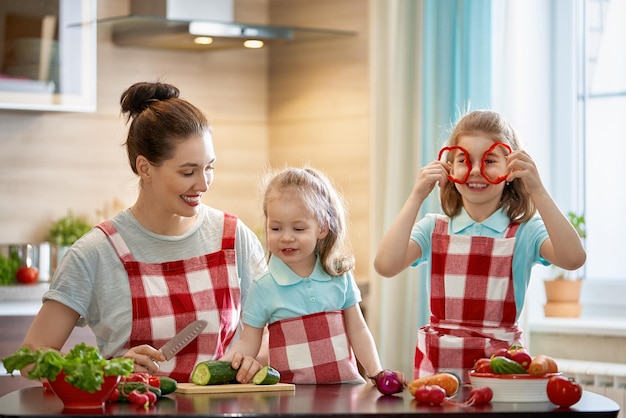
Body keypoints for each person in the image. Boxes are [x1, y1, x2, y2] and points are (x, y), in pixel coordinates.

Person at [21, 81, 267, 383]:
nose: (203, 184)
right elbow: (33, 358)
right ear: (145, 168)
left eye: (209, 168)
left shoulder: (233, 238)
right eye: (188, 172)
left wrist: (251, 358)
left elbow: (273, 332)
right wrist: (106, 369)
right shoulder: (96, 252)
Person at [374, 110, 586, 384]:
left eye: (489, 160)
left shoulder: (525, 232)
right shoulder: (433, 228)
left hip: (500, 375)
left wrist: (538, 190)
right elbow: (385, 265)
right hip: (439, 376)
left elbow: (573, 258)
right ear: (450, 169)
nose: (476, 170)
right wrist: (416, 195)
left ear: (510, 170)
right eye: (464, 160)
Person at [221, 167, 406, 385]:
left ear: (322, 228)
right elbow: (247, 343)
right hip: (290, 398)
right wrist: (224, 365)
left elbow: (358, 329)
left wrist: (376, 372)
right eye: (276, 228)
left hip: (346, 393)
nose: (286, 237)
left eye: (298, 229)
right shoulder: (263, 287)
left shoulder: (339, 275)